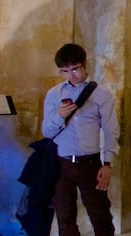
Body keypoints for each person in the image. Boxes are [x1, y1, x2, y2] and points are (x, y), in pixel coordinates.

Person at [42, 43, 120, 236]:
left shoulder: (101, 94)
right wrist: (59, 115)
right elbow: (47, 131)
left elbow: (111, 130)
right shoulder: (54, 94)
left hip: (90, 163)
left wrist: (107, 164)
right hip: (61, 164)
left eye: (75, 69)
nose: (71, 75)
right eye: (64, 71)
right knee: (65, 217)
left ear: (84, 65)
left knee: (100, 215)